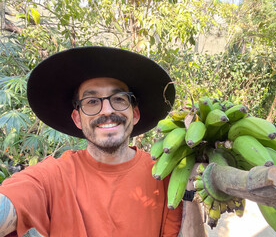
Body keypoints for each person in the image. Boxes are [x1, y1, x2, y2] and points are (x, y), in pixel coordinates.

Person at [0, 47, 183, 237]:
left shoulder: (163, 175)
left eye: (119, 99)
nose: (106, 110)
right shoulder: (53, 176)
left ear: (135, 113)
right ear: (77, 119)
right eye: (92, 102)